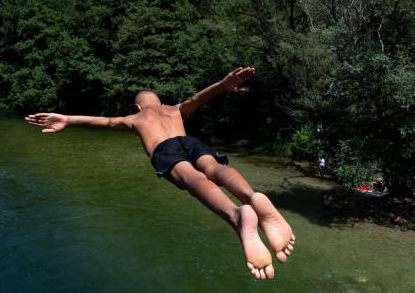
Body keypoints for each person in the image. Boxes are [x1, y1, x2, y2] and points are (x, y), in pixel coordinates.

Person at [25, 67, 295, 280]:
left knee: (192, 178)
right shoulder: (174, 109)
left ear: (138, 108)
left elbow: (104, 121)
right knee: (214, 168)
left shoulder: (136, 119)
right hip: (189, 141)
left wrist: (68, 119)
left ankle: (237, 215)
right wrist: (224, 85)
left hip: (165, 151)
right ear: (161, 102)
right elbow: (197, 98)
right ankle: (250, 195)